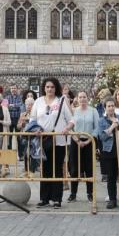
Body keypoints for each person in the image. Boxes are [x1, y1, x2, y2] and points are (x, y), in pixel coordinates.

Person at [32, 77, 74, 208]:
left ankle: (57, 199)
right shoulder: (38, 101)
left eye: (52, 87)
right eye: (47, 87)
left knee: (57, 168)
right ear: (44, 88)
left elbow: (72, 119)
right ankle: (44, 198)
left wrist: (67, 128)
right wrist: (36, 130)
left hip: (58, 140)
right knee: (44, 169)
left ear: (56, 88)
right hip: (43, 140)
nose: (50, 89)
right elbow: (32, 120)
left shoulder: (61, 101)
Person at [67, 90, 99, 203]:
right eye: (80, 97)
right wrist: (77, 140)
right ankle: (73, 193)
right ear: (77, 99)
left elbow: (96, 128)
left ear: (87, 98)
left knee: (89, 168)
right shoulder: (74, 111)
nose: (82, 99)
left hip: (89, 142)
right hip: (76, 142)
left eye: (84, 97)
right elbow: (69, 127)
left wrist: (88, 141)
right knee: (74, 168)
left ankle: (90, 193)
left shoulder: (93, 111)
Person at [97, 99, 119, 209]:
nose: (111, 108)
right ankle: (112, 199)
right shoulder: (101, 121)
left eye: (112, 106)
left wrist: (118, 124)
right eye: (108, 106)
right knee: (111, 177)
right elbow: (102, 137)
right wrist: (111, 127)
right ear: (105, 108)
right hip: (109, 152)